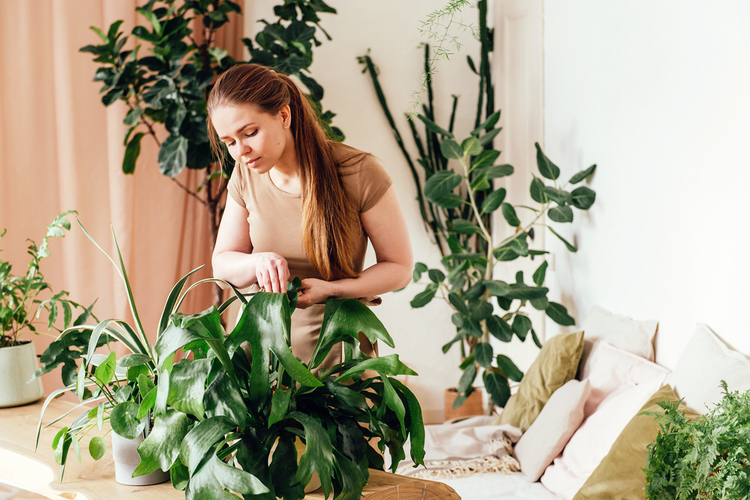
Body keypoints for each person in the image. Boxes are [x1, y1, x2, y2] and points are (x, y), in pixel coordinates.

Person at [207, 64, 412, 371]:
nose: (241, 151)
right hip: (259, 355)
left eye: (250, 133)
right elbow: (222, 263)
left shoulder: (359, 172)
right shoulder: (245, 175)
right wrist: (256, 262)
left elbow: (399, 268)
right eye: (229, 142)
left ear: (284, 116)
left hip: (334, 352)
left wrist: (334, 289)